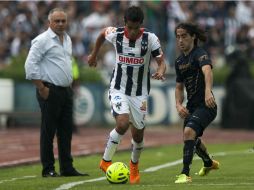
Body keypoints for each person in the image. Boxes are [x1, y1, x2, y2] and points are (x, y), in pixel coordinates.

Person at [88, 6, 166, 184]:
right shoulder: (116, 34)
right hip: (118, 88)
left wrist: (161, 71)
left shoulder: (150, 38)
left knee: (138, 135)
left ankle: (134, 166)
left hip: (140, 94)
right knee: (122, 123)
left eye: (135, 28)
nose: (131, 32)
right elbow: (101, 34)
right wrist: (94, 55)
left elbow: (161, 62)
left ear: (141, 25)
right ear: (124, 23)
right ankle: (105, 161)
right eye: (129, 27)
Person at [24, 8, 88, 177]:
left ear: (67, 22)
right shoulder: (42, 40)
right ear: (49, 22)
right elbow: (30, 66)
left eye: (63, 21)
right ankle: (48, 169)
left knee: (66, 132)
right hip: (49, 90)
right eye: (57, 21)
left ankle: (67, 167)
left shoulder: (67, 39)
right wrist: (41, 88)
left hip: (66, 91)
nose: (60, 24)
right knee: (48, 131)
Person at [174, 22, 219, 184]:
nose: (180, 40)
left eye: (184, 36)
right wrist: (179, 105)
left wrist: (208, 91)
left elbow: (207, 71)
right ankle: (209, 163)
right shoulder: (179, 61)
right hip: (192, 107)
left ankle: (184, 174)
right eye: (178, 36)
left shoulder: (200, 53)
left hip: (207, 105)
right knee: (192, 139)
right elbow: (179, 87)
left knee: (188, 133)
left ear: (193, 37)